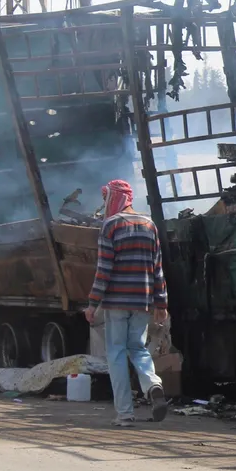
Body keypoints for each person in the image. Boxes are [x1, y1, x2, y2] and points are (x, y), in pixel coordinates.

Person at [84, 179, 169, 427]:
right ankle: (152, 384)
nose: (105, 203)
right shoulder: (149, 224)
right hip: (143, 300)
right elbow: (157, 268)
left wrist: (92, 303)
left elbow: (104, 269)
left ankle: (124, 414)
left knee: (117, 353)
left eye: (106, 198)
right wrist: (161, 303)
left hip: (116, 301)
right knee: (138, 348)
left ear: (115, 198)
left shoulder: (110, 225)